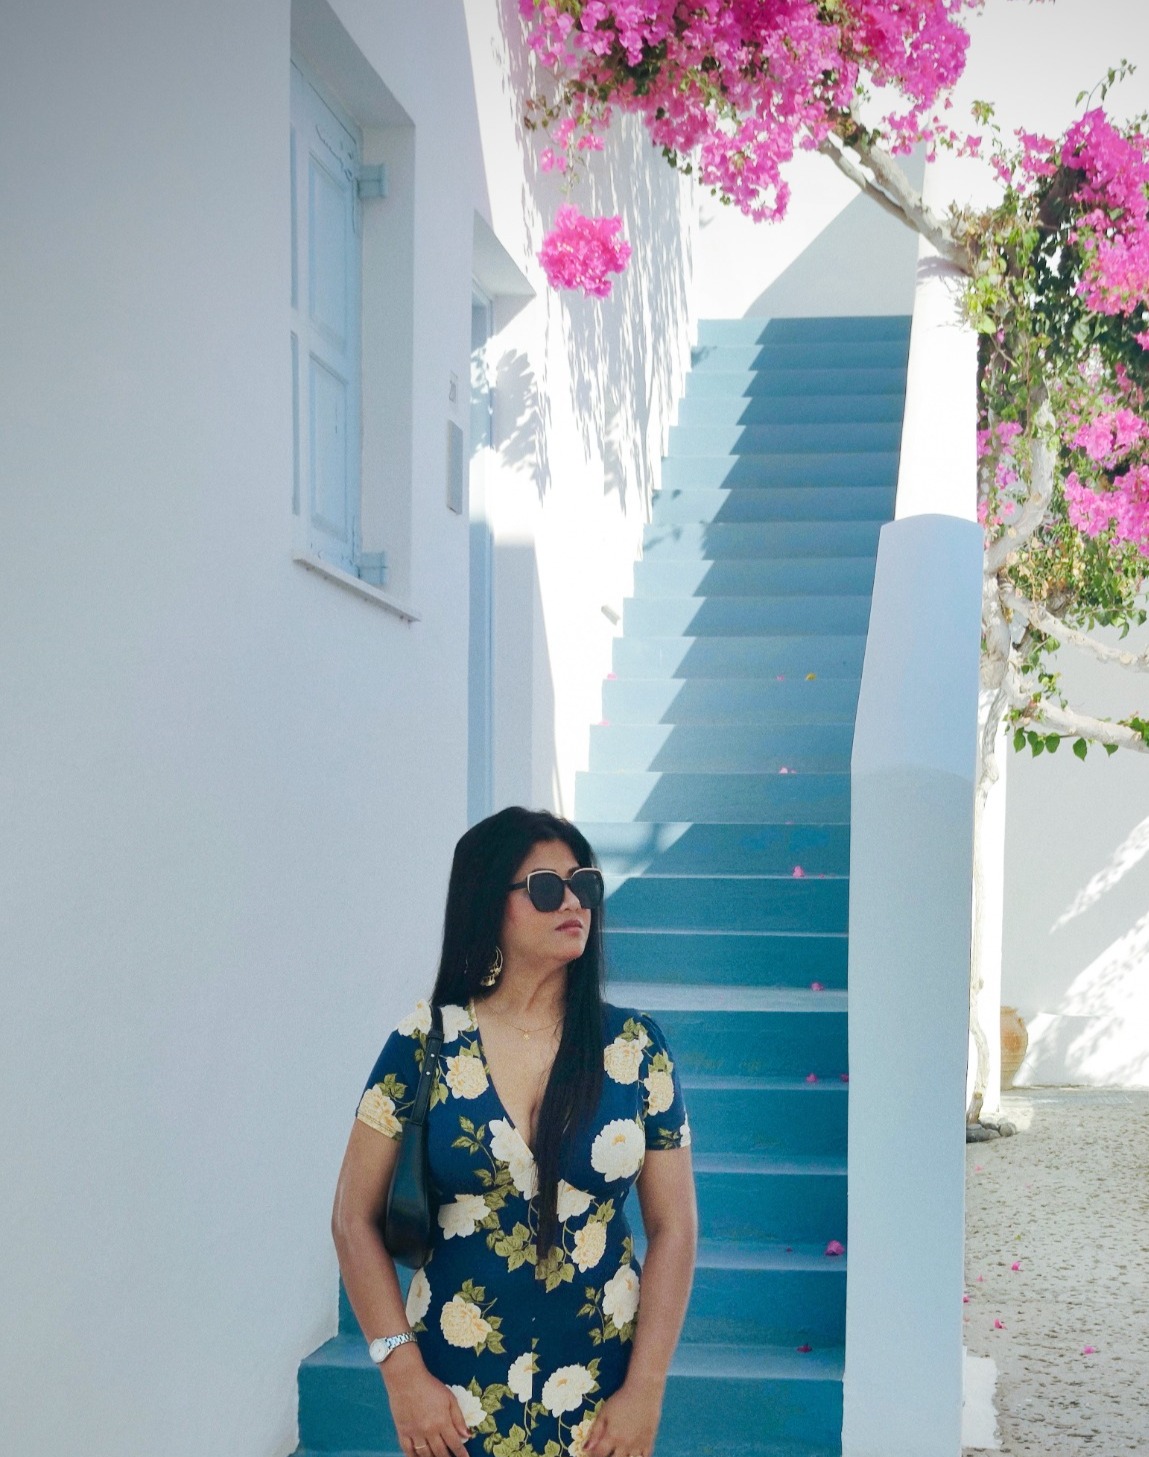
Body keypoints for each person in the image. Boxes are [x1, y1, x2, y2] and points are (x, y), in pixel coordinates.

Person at [332, 806, 698, 1457]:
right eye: (546, 887)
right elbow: (351, 1218)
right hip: (454, 1399)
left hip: (599, 1396)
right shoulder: (424, 1040)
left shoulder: (635, 1046)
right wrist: (402, 1373)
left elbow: (675, 1228)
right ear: (486, 902)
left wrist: (645, 1388)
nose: (573, 902)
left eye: (584, 884)